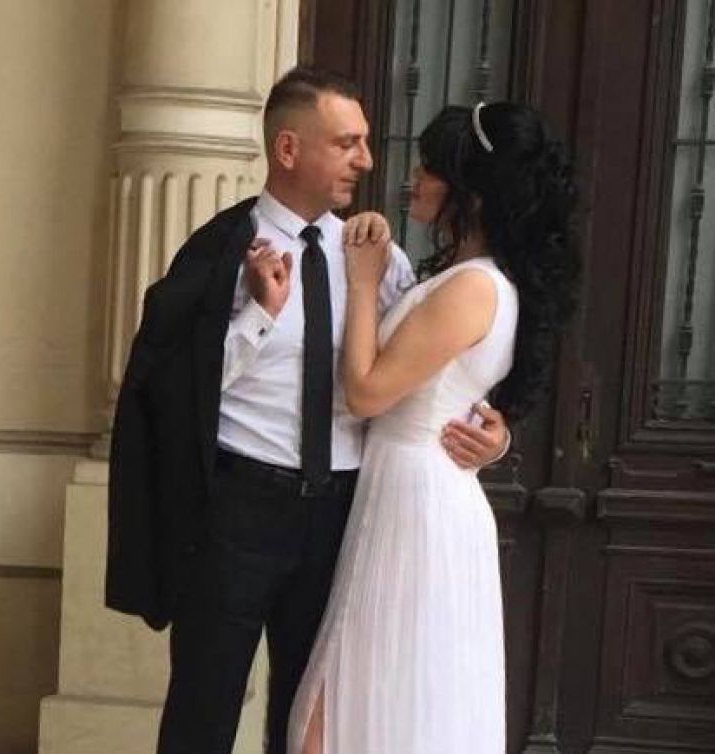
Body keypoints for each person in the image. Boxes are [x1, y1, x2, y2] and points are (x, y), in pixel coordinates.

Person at [105, 67, 511, 754]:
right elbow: (176, 392)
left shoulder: (378, 258)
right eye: (347, 143)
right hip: (238, 510)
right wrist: (259, 316)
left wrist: (494, 432)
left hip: (344, 515)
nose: (366, 160)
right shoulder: (222, 251)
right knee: (205, 702)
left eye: (364, 142)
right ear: (289, 149)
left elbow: (424, 371)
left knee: (310, 717)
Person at [288, 102, 580, 754]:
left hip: (415, 505)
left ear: (471, 191)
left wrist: (363, 284)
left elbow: (367, 392)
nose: (411, 179)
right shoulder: (463, 278)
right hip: (404, 489)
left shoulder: (473, 288)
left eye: (429, 169)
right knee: (357, 705)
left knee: (346, 715)